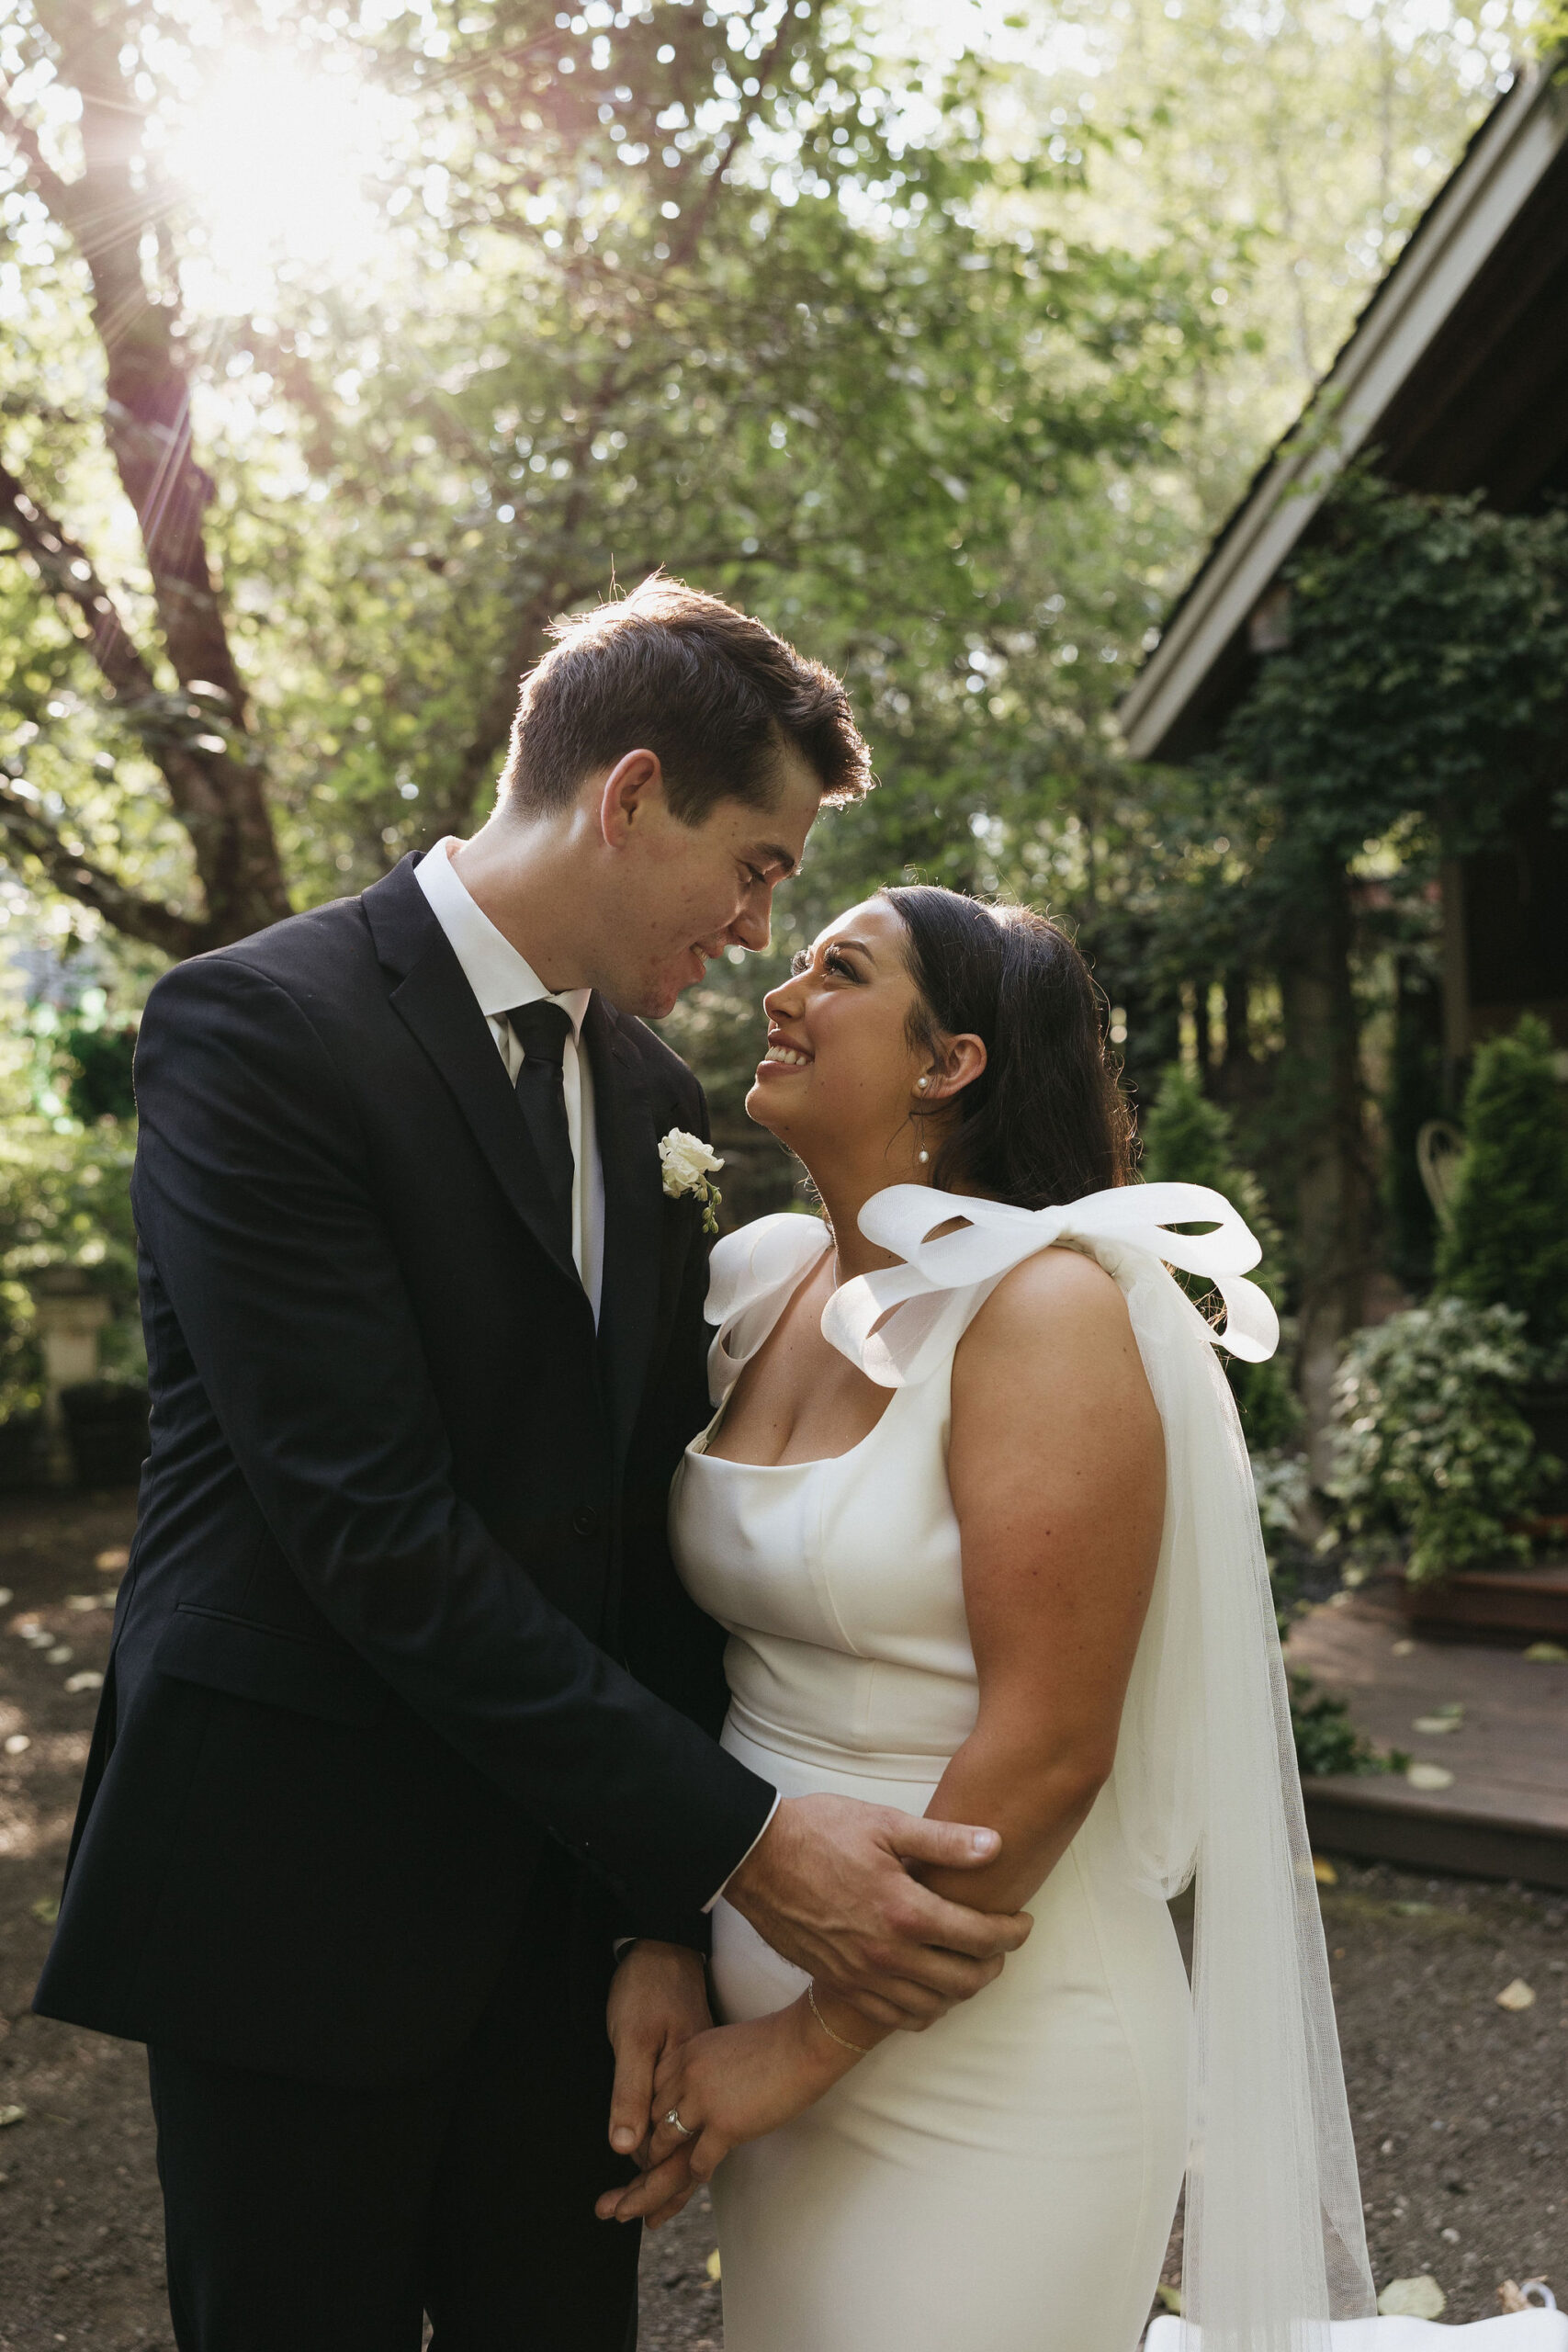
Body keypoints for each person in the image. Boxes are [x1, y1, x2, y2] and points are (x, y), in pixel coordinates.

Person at [32, 585, 1029, 2352]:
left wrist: (653, 1918)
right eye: (757, 865)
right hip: (296, 1897)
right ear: (629, 794)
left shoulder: (652, 1098)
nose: (757, 929)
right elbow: (371, 1531)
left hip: (558, 1940)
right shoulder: (258, 1031)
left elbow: (644, 1533)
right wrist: (745, 1849)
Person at [600, 886, 1377, 2352]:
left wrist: (805, 2043)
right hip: (762, 2012)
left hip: (992, 2048)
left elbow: (1052, 1739)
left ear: (948, 1062)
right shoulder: (765, 1283)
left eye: (840, 969)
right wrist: (672, 1940)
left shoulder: (1045, 1310)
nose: (782, 988)